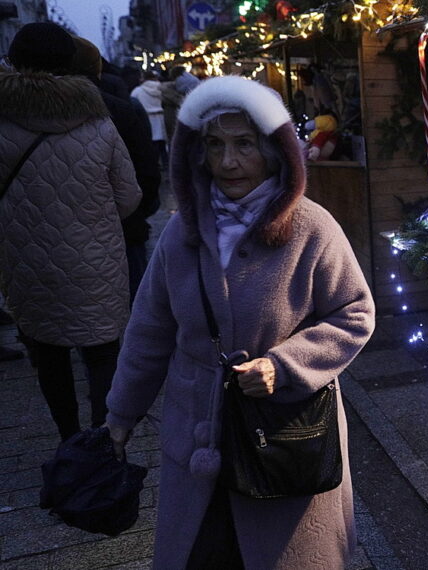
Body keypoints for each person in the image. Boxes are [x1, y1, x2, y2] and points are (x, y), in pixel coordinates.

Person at [104, 76, 375, 568]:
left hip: (283, 437)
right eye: (214, 145)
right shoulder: (180, 235)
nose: (228, 162)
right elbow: (149, 331)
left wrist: (285, 365)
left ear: (273, 150)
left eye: (244, 144)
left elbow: (355, 313)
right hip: (196, 438)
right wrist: (120, 415)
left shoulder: (311, 227)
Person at [0, 22, 141, 440]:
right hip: (95, 263)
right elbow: (129, 195)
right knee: (101, 355)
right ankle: (103, 442)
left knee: (49, 355)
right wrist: (91, 218)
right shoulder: (97, 121)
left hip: (26, 264)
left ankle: (68, 439)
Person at [71, 36, 162, 301]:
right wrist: (139, 210)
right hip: (125, 224)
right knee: (136, 300)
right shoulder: (122, 106)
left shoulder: (25, 111)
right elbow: (147, 168)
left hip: (53, 239)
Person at [130, 71, 168, 167]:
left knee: (151, 142)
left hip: (147, 118)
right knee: (162, 143)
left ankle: (154, 164)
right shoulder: (163, 88)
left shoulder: (138, 90)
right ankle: (166, 163)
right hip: (160, 117)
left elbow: (132, 102)